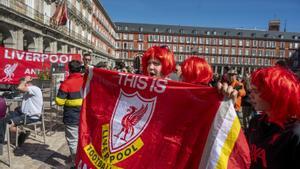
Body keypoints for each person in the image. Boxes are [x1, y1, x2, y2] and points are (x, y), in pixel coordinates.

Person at [246, 66, 300, 168]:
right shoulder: (255, 122)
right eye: (251, 90)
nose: (251, 94)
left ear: (275, 94)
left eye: (256, 91)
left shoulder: (294, 133)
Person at [0, 76, 43, 145]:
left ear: (26, 83)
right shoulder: (30, 90)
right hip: (23, 113)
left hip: (30, 116)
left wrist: (24, 80)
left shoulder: (34, 88)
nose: (19, 85)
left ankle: (23, 132)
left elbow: (20, 88)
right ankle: (5, 137)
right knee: (6, 116)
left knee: (8, 124)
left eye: (20, 83)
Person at [55, 60, 83, 165]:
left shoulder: (66, 83)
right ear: (80, 69)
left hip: (71, 117)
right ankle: (84, 161)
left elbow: (59, 101)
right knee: (83, 138)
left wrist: (70, 101)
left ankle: (77, 164)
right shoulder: (86, 80)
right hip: (85, 116)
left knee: (73, 140)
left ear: (69, 70)